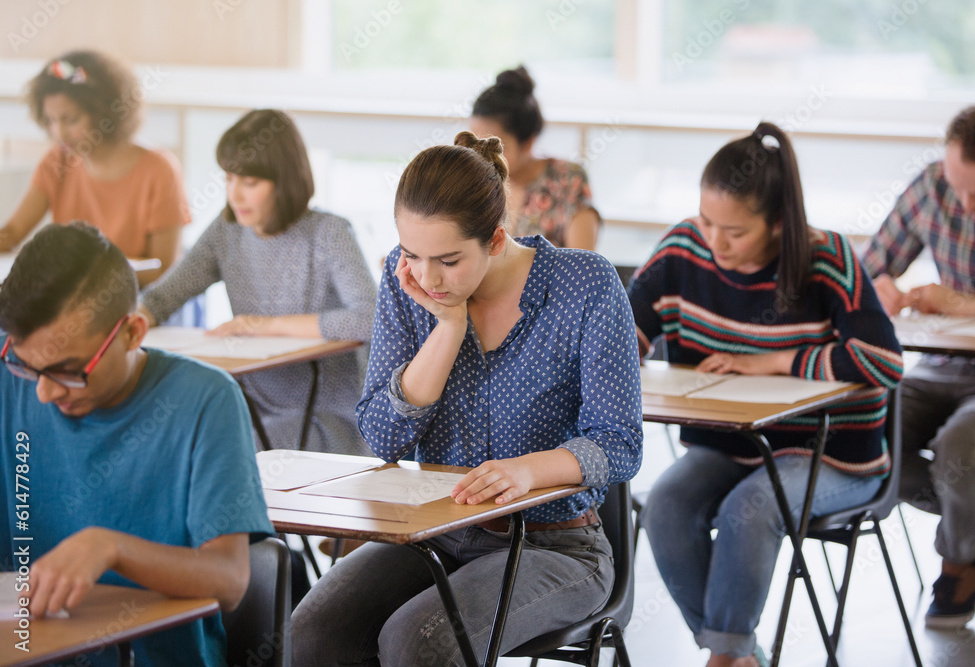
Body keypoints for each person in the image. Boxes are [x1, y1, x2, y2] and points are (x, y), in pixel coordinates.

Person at [289, 131, 642, 666]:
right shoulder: (404, 281)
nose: (428, 278)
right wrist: (447, 328)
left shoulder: (584, 285)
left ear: (496, 241)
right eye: (413, 254)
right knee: (312, 632)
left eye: (449, 261)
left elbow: (620, 443)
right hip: (436, 534)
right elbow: (383, 437)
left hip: (557, 548)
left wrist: (529, 471)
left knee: (418, 642)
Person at [628, 122, 903, 667]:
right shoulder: (684, 247)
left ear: (778, 224)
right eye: (706, 219)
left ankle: (726, 660)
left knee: (747, 511)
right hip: (729, 445)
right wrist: (617, 357)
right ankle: (741, 655)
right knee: (664, 506)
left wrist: (776, 362)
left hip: (835, 455)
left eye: (734, 230)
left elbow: (884, 361)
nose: (713, 240)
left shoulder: (827, 258)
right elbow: (624, 331)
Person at [0, 222, 273, 667]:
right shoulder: (10, 380)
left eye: (68, 371)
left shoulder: (205, 400)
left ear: (132, 333)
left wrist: (111, 547)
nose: (44, 394)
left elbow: (229, 580)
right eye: (26, 366)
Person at [141, 109, 377, 455]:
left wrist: (266, 326)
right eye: (229, 179)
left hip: (329, 421)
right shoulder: (227, 231)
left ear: (284, 181)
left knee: (212, 451)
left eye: (249, 183)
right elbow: (165, 295)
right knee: (165, 437)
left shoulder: (329, 233)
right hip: (251, 409)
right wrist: (132, 320)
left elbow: (371, 317)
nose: (235, 195)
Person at [862, 104, 975, 628]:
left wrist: (966, 304)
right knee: (864, 435)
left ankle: (960, 558)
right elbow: (867, 269)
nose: (966, 203)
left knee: (961, 448)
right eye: (958, 186)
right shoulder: (932, 185)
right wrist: (882, 289)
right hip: (939, 364)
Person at [0, 50, 189, 286]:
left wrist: (88, 279)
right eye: (51, 120)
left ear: (104, 113)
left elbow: (165, 268)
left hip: (134, 296)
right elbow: (12, 232)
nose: (59, 133)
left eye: (71, 120)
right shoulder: (57, 161)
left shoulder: (159, 169)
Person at [470, 65, 601, 250]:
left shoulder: (568, 180)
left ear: (528, 142)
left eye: (496, 147)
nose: (481, 157)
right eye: (475, 144)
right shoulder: (477, 185)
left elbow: (583, 266)